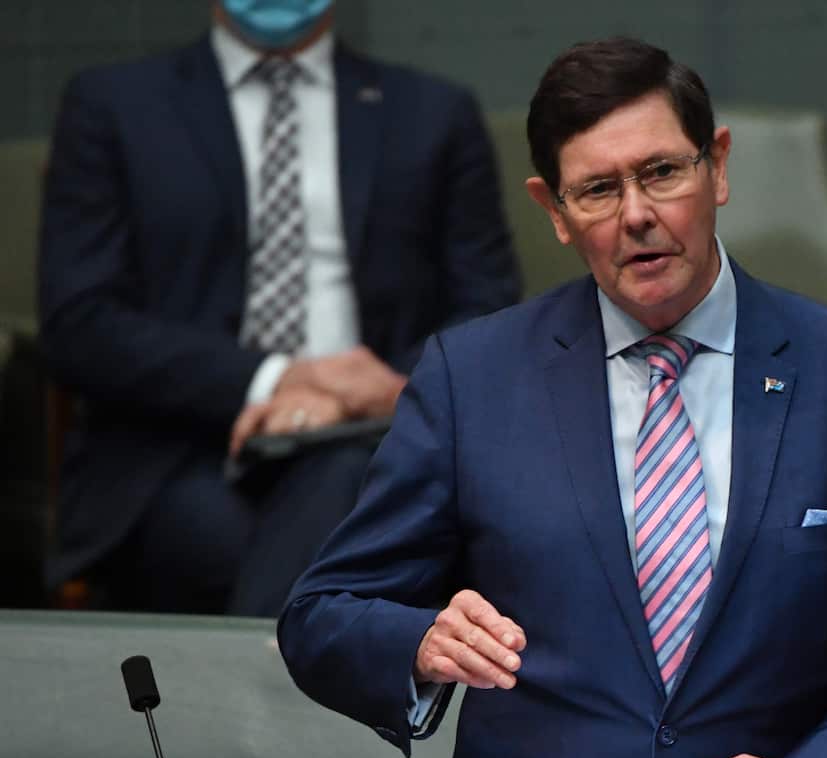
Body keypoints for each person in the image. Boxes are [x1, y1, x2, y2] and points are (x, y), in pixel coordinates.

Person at [278, 37, 827, 758]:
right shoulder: (470, 378)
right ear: (555, 211)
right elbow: (320, 616)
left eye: (661, 173)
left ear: (716, 166)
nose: (637, 215)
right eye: (598, 190)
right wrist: (420, 643)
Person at [38, 0, 519, 616]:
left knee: (347, 483)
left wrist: (368, 394)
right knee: (275, 533)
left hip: (376, 437)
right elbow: (79, 324)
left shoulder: (433, 113)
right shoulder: (112, 105)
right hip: (178, 449)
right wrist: (282, 380)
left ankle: (250, 698)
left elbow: (485, 305)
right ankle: (293, 678)